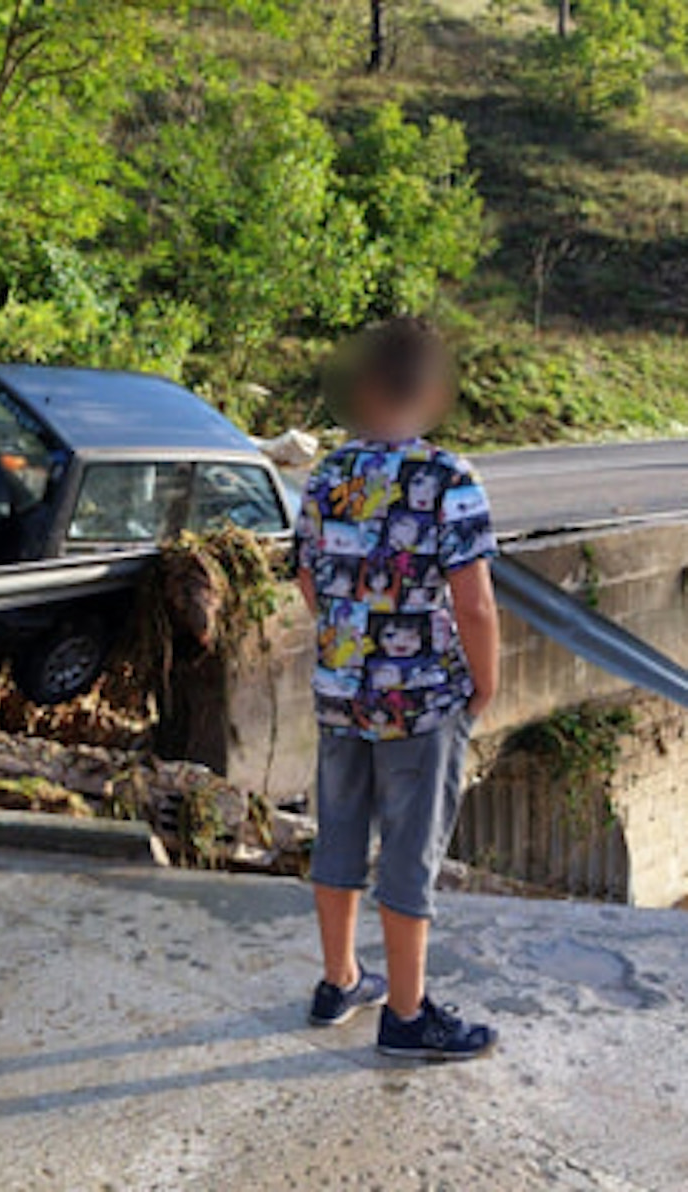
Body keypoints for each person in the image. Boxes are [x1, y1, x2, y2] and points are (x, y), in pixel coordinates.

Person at [295, 316, 501, 1061]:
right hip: (420, 700)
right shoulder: (450, 479)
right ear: (431, 390)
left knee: (340, 834)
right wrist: (483, 685)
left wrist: (353, 643)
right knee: (408, 854)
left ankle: (339, 980)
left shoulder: (325, 474)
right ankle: (407, 1018)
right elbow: (474, 602)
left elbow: (307, 579)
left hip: (340, 692)